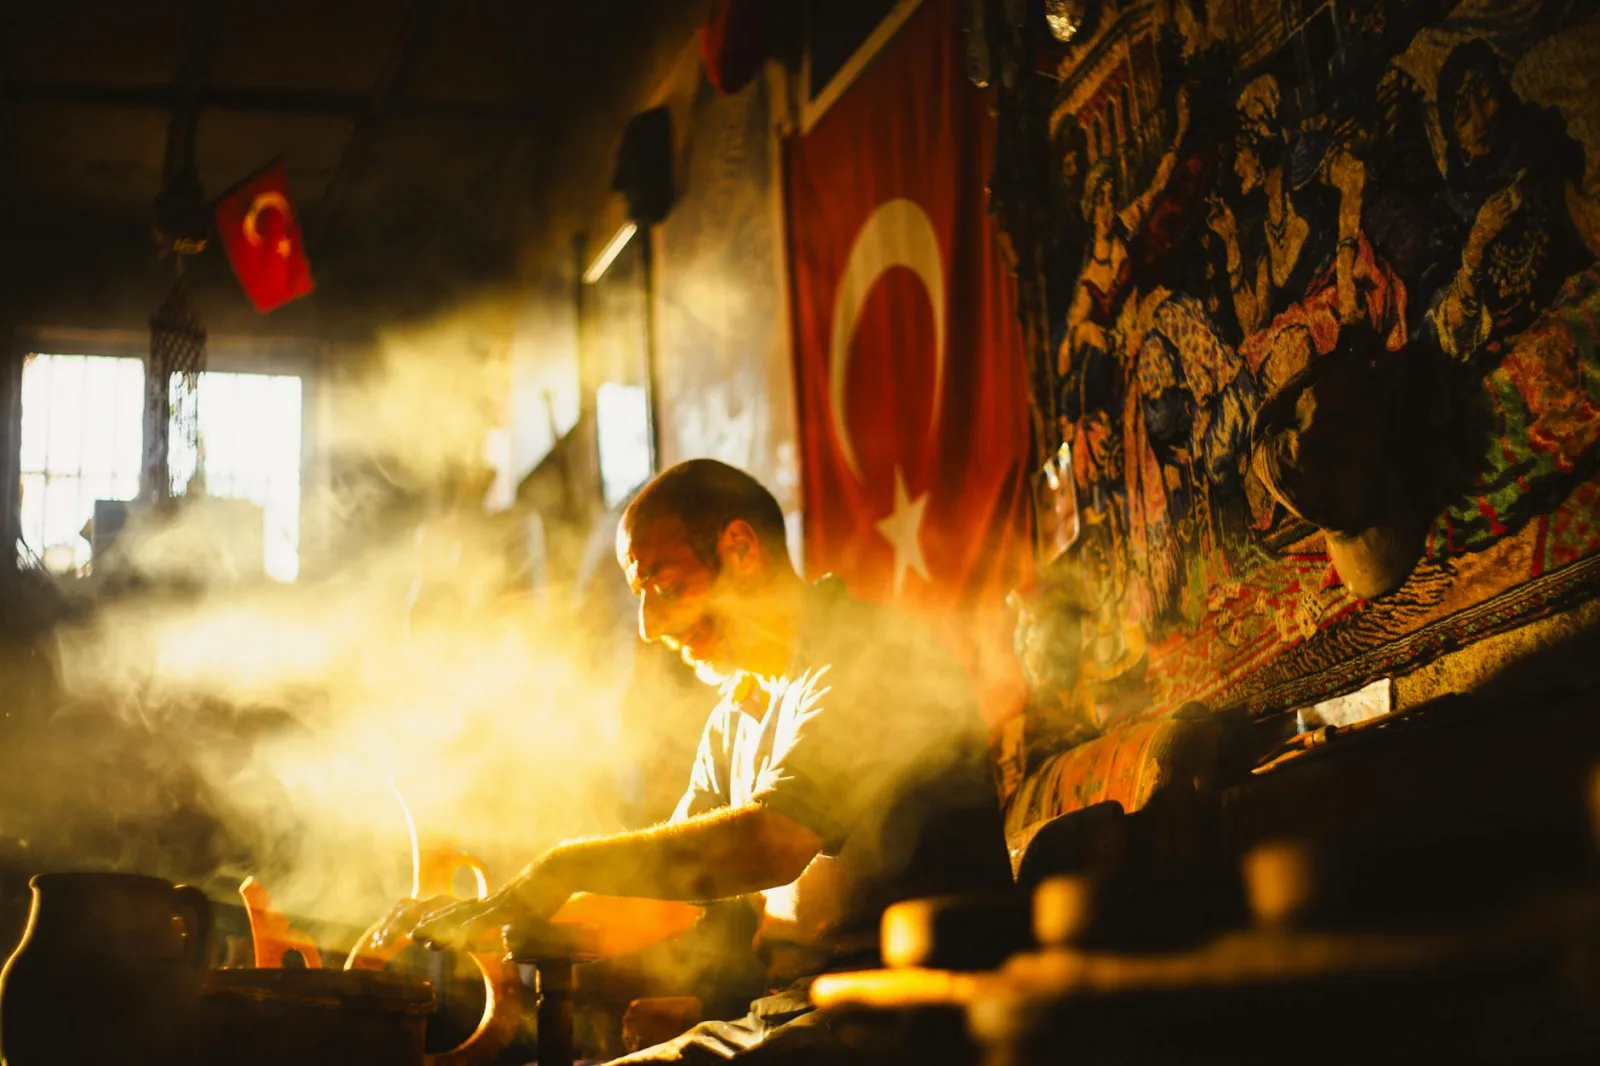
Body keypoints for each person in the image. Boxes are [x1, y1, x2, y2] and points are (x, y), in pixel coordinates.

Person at [391, 459, 1014, 1064]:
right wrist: (495, 916)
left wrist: (561, 866)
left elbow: (771, 843)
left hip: (904, 1014)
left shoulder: (868, 654)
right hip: (789, 1015)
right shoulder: (735, 714)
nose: (649, 625)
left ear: (741, 550)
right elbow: (668, 900)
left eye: (665, 585)